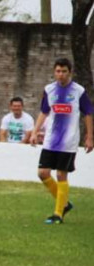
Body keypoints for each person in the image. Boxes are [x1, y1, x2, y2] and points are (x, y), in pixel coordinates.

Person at [29, 57, 93, 224]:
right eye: (58, 71)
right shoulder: (49, 90)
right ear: (54, 72)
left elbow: (88, 113)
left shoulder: (78, 91)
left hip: (69, 140)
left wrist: (90, 136)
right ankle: (64, 202)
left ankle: (58, 214)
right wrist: (35, 132)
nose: (61, 74)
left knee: (60, 174)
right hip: (51, 140)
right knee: (42, 173)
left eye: (64, 71)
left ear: (69, 72)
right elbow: (44, 111)